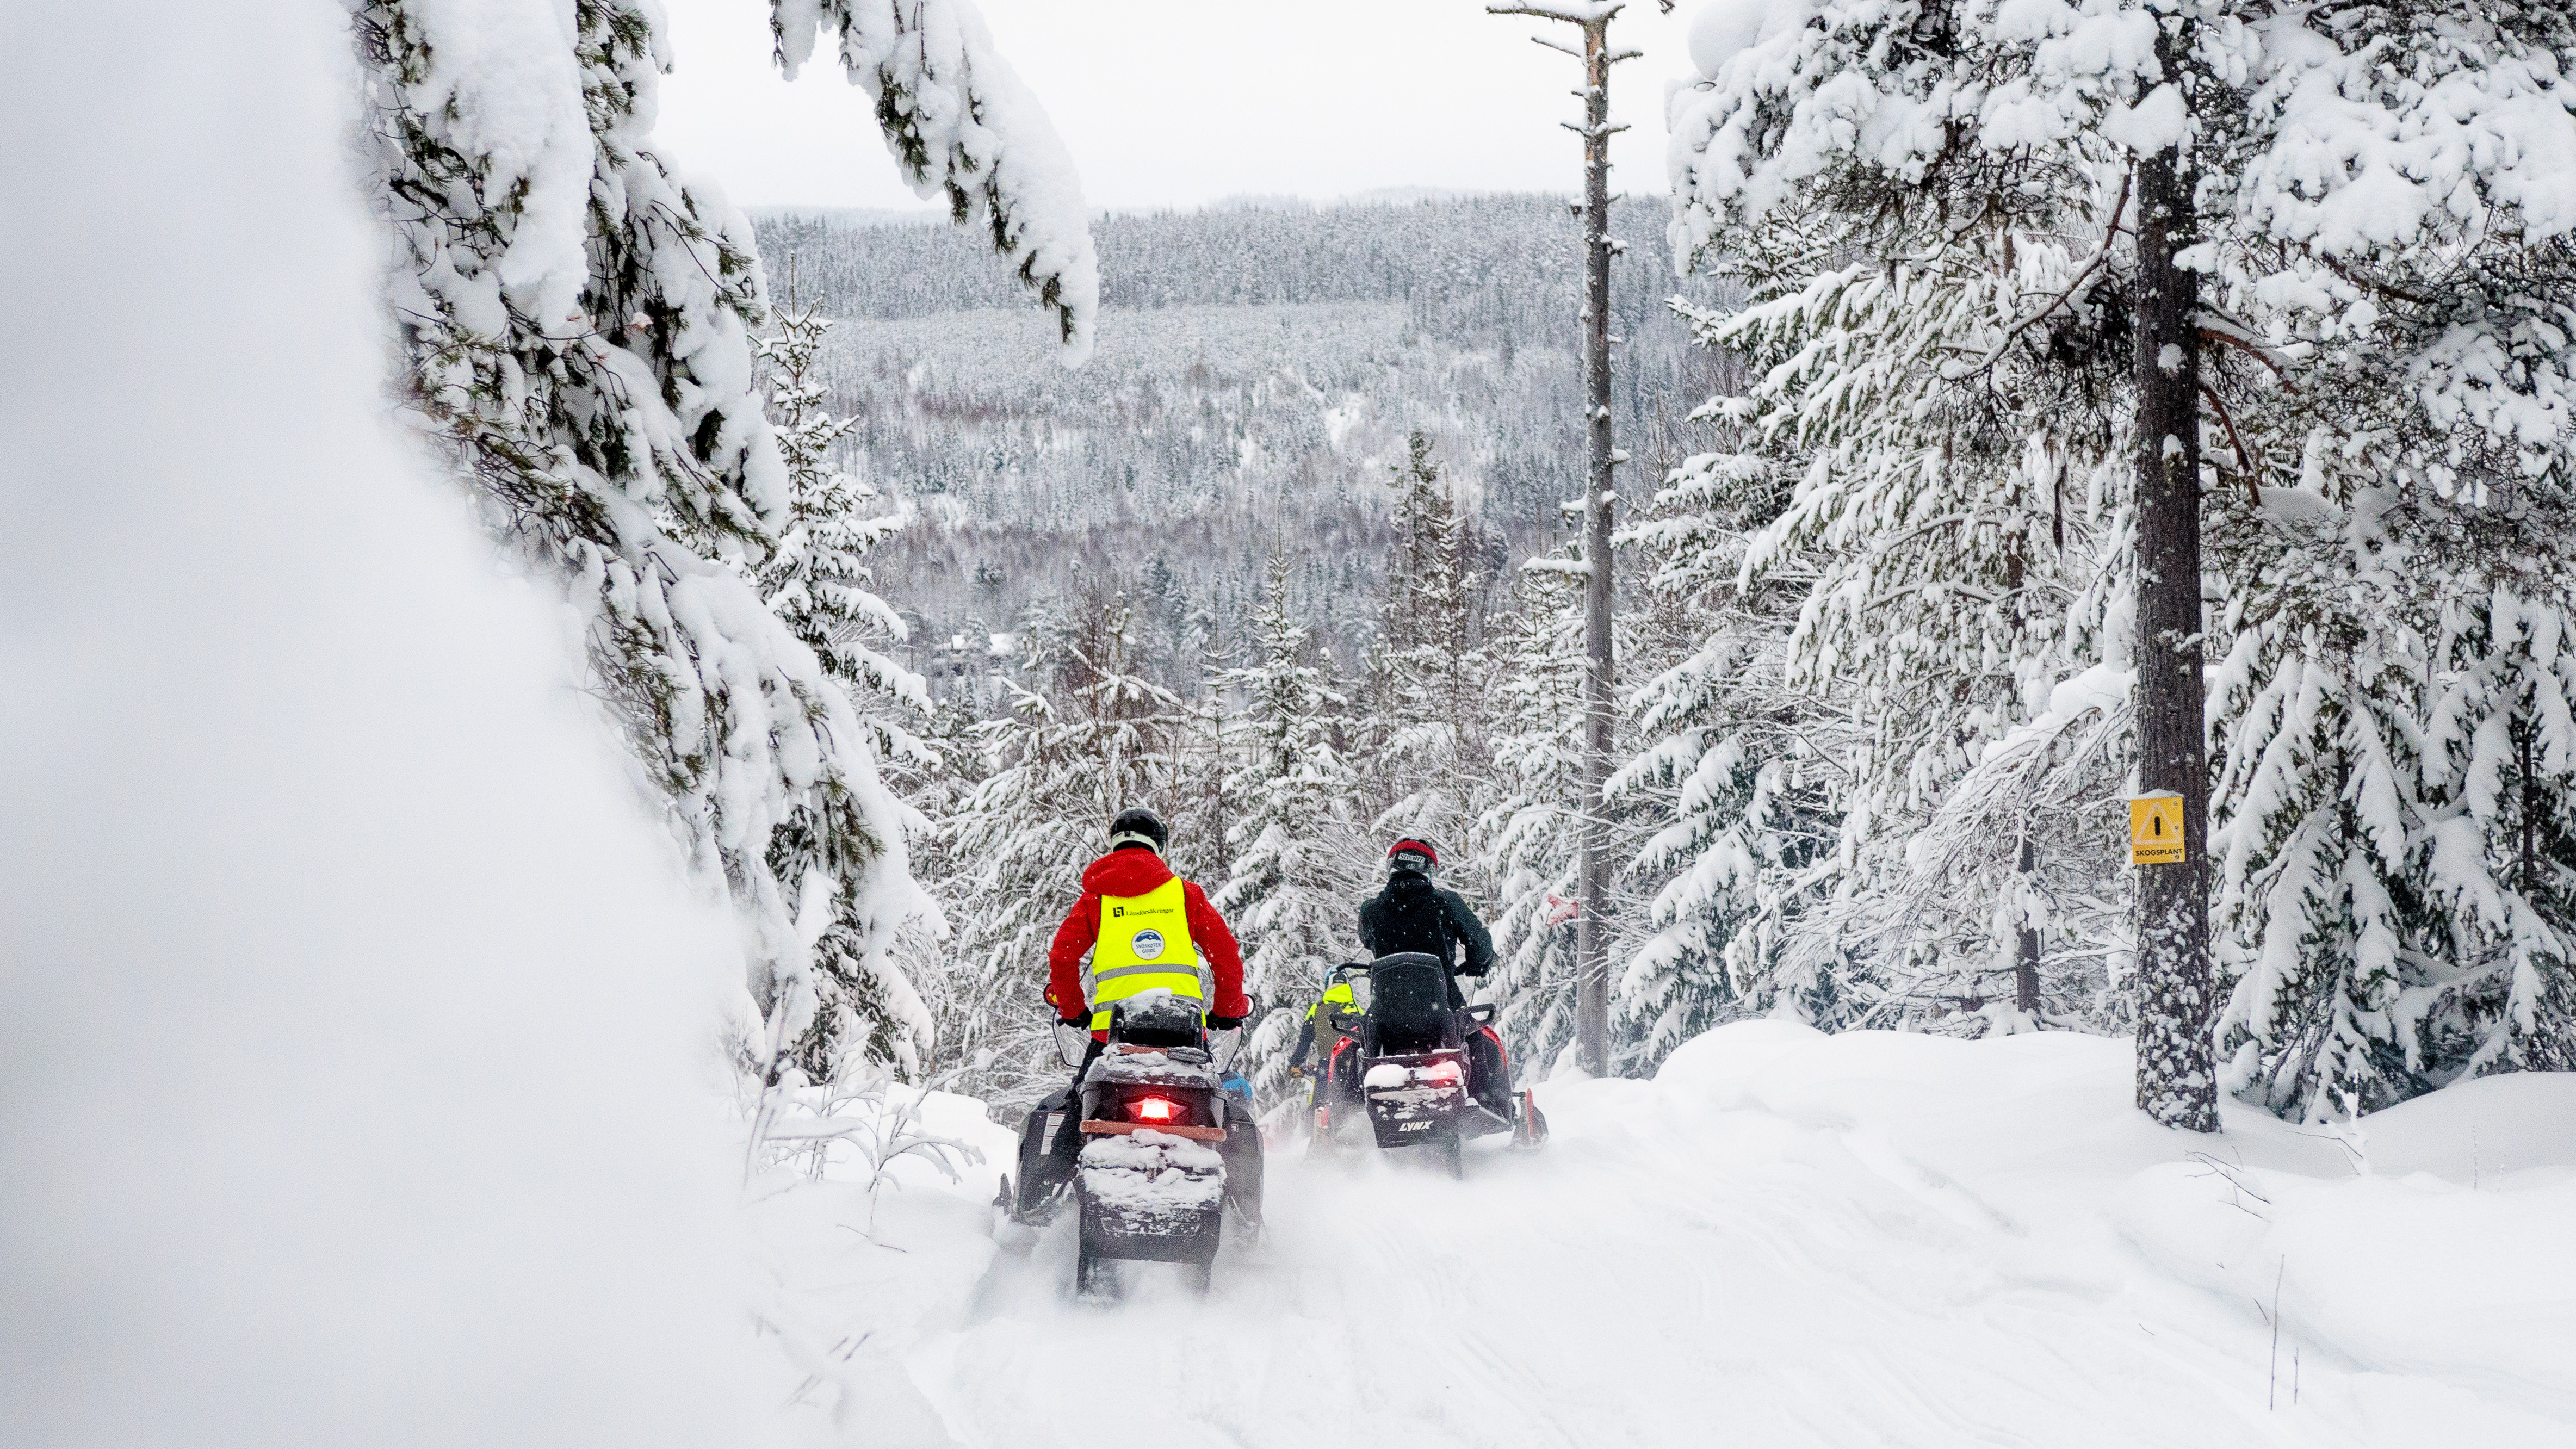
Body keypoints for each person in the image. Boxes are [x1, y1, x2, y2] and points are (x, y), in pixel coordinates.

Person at [1038, 807, 1250, 1164]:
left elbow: (1062, 956)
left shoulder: (1097, 899)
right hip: (1185, 1039)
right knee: (1218, 1110)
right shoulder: (1185, 895)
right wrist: (1228, 1011)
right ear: (1159, 846)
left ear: (1114, 845)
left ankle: (1045, 1192)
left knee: (1080, 1109)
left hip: (1113, 1039)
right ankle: (1238, 1190)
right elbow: (1226, 955)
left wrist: (1074, 1010)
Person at [1354, 837, 1510, 1114]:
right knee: (1476, 1036)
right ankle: (1487, 1102)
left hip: (1387, 1009)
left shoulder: (1371, 910)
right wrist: (1477, 963)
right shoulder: (1446, 903)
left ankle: (1348, 1111)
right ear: (1429, 868)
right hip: (1442, 1003)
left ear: (1392, 867)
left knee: (1355, 1043)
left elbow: (1367, 940)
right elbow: (1481, 944)